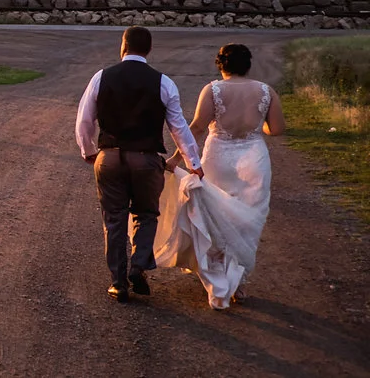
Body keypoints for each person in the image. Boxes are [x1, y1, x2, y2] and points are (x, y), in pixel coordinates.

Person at [76, 26, 204, 303]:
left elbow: (84, 120)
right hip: (146, 159)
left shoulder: (101, 77)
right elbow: (178, 127)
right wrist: (194, 162)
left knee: (114, 219)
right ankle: (138, 265)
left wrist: (88, 150)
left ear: (123, 47)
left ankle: (117, 283)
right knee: (146, 215)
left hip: (109, 156)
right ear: (148, 50)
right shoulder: (163, 82)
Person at [156, 43, 285, 309]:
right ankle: (241, 282)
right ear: (248, 65)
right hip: (253, 159)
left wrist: (175, 160)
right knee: (247, 221)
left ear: (221, 65)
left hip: (217, 158)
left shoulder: (212, 90)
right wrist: (256, 128)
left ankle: (217, 275)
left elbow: (197, 128)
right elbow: (278, 129)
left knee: (214, 216)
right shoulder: (266, 91)